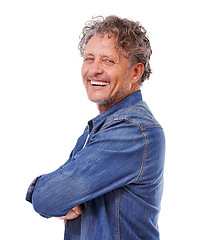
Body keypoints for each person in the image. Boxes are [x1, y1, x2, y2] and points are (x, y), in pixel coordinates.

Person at [26, 15, 165, 240]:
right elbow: (57, 196)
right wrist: (62, 197)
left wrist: (57, 196)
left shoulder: (132, 130)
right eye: (89, 58)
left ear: (136, 72)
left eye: (108, 61)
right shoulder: (100, 127)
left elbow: (49, 197)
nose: (94, 70)